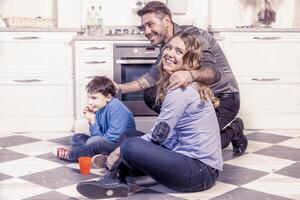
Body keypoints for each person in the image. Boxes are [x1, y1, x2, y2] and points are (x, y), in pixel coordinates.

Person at [76, 31, 223, 199]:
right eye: (169, 48)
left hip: (199, 173)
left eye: (179, 51)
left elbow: (159, 136)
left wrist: (119, 151)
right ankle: (120, 172)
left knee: (129, 146)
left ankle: (116, 174)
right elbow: (168, 138)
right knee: (130, 135)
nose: (169, 53)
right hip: (194, 165)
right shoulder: (182, 85)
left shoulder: (180, 90)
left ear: (188, 61)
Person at [114, 1, 247, 156]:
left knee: (201, 144)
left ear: (167, 21)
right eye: (143, 27)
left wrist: (190, 75)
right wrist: (118, 88)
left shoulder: (193, 36)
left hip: (223, 99)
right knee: (151, 94)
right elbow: (151, 77)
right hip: (196, 101)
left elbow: (214, 72)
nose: (146, 31)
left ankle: (234, 130)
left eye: (150, 25)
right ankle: (178, 128)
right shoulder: (168, 47)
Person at [52, 76, 136, 162]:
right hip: (104, 142)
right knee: (77, 137)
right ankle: (95, 156)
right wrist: (92, 120)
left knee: (95, 142)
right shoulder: (100, 107)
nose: (90, 102)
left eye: (94, 98)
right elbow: (97, 136)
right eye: (89, 98)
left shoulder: (117, 108)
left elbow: (110, 139)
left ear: (108, 97)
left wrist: (93, 142)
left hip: (120, 147)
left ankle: (71, 155)